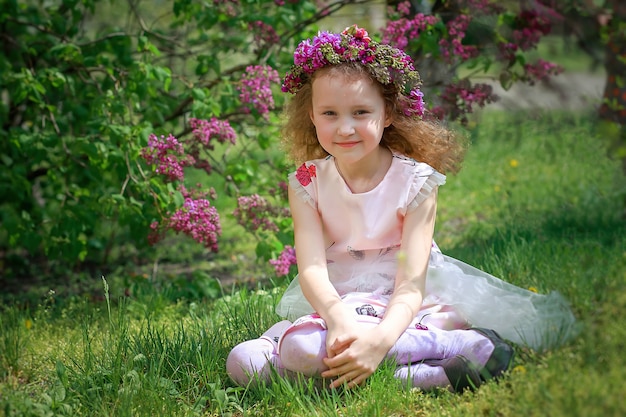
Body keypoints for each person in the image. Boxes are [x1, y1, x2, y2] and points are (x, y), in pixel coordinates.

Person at [226, 25, 577, 392]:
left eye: (361, 112)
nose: (345, 128)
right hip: (336, 301)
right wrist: (338, 319)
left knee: (300, 349)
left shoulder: (416, 182)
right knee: (244, 361)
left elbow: (410, 282)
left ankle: (450, 345)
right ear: (311, 116)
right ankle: (425, 375)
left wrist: (379, 341)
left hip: (401, 305)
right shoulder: (306, 181)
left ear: (388, 113)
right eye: (329, 113)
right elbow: (312, 269)